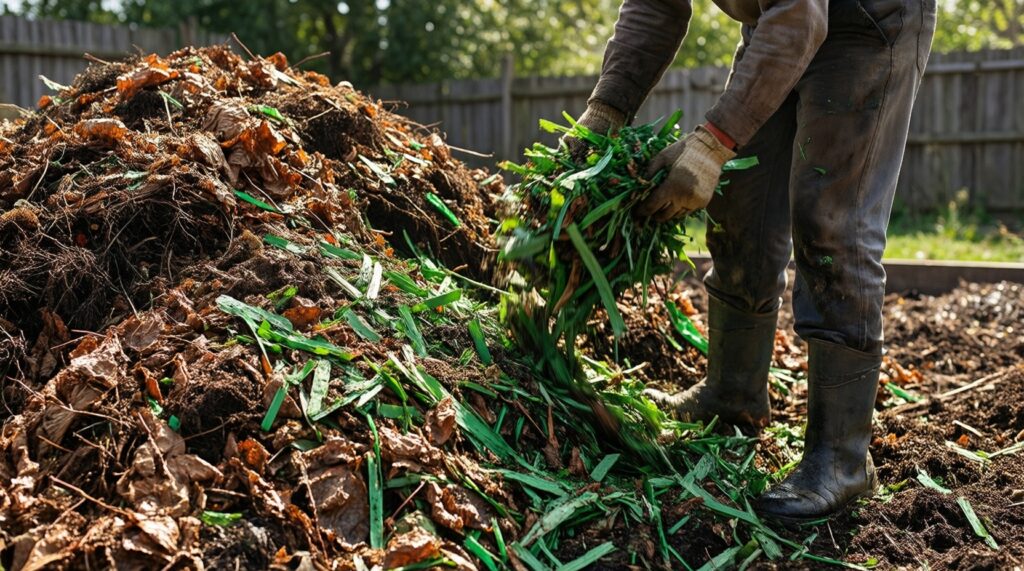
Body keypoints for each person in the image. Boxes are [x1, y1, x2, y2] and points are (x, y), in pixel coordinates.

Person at [567, 0, 936, 521]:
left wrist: (713, 142)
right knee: (738, 202)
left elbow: (801, 17)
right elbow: (655, 5)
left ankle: (842, 458)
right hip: (777, 24)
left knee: (830, 223)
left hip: (867, 25)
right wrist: (606, 110)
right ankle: (733, 394)